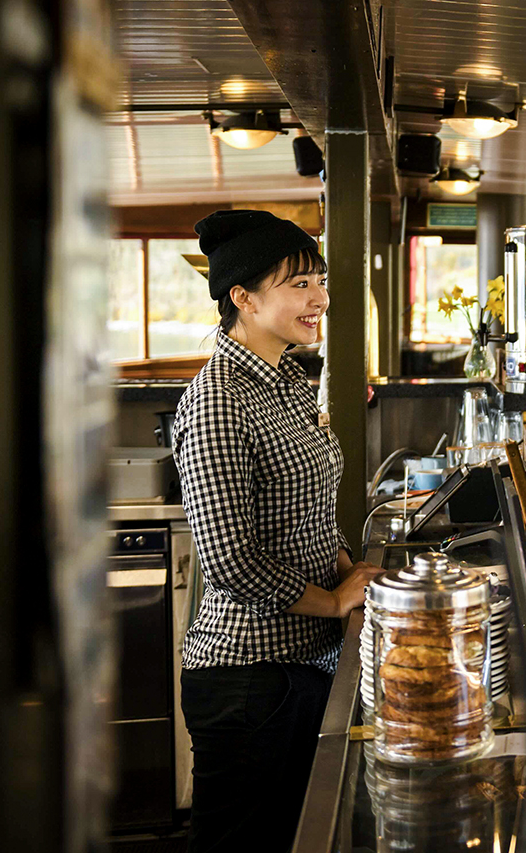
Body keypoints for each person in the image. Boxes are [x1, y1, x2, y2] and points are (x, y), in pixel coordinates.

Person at [174, 209, 382, 852]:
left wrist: (347, 565)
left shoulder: (288, 378)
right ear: (242, 297)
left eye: (318, 280)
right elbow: (232, 559)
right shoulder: (217, 400)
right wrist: (332, 600)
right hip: (248, 677)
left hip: (301, 662)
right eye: (299, 284)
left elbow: (311, 506)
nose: (320, 297)